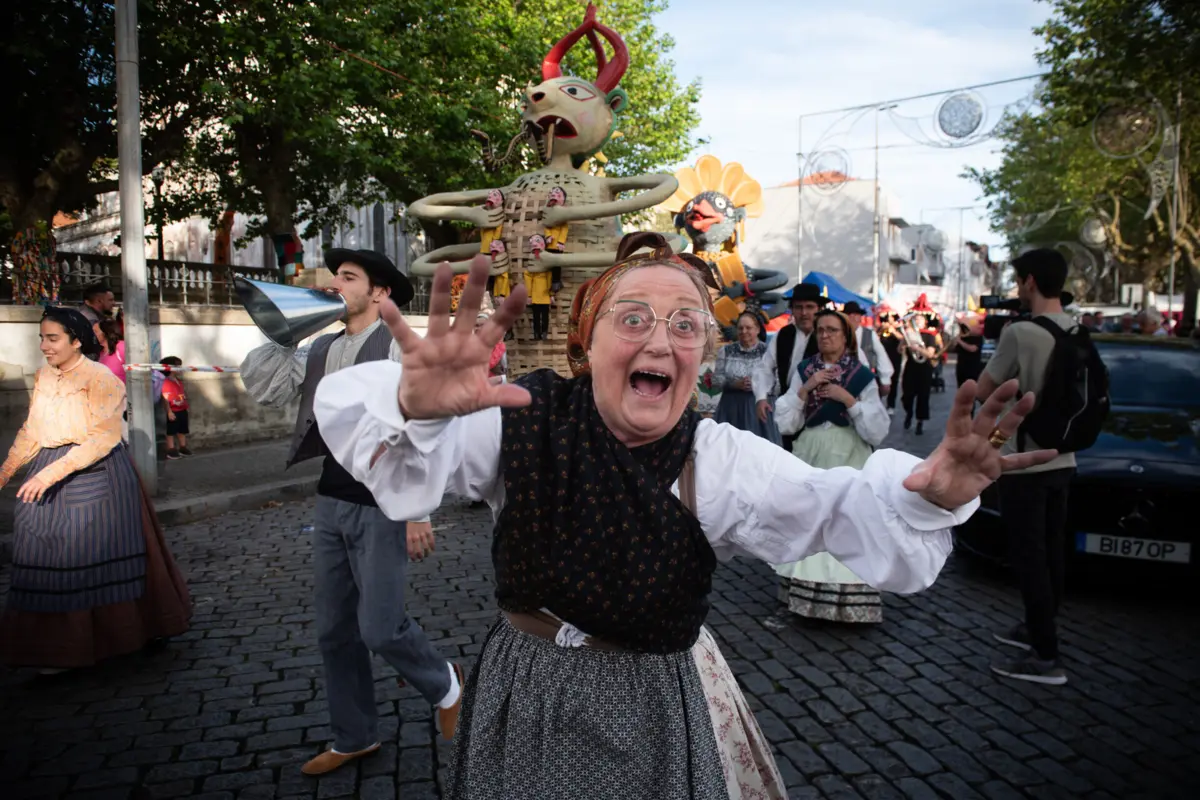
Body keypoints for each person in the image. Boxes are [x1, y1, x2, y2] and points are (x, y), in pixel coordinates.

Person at [313, 231, 1053, 799]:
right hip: (523, 690)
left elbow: (836, 507)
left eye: (685, 325)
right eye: (632, 318)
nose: (660, 340)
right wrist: (416, 409)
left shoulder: (721, 459)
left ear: (700, 357)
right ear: (587, 341)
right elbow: (400, 461)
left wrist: (935, 491)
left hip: (651, 706)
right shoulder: (523, 419)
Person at [240, 248, 462, 777]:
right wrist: (285, 329)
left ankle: (447, 685)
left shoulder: (400, 347)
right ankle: (355, 735)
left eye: (347, 277)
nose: (334, 284)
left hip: (383, 503)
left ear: (379, 292)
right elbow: (268, 388)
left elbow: (426, 426)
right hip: (332, 499)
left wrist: (418, 510)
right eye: (335, 276)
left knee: (381, 628)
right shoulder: (320, 346)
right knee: (334, 631)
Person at [0, 307, 191, 673]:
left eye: (52, 338)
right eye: (42, 337)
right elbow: (32, 430)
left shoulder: (101, 378)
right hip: (50, 465)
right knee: (36, 540)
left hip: (96, 470)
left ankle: (105, 640)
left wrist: (49, 475)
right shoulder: (44, 376)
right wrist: (6, 471)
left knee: (83, 551)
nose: (44, 346)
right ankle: (49, 646)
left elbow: (102, 438)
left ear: (76, 341)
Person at [976, 248, 1078, 686]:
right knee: (1052, 552)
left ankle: (1045, 656)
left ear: (1030, 282)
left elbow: (985, 389)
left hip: (1022, 461)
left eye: (1019, 280)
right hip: (1063, 456)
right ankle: (1039, 630)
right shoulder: (1077, 327)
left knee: (1028, 557)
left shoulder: (1020, 332)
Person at [773, 309, 891, 623]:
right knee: (810, 520)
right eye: (821, 330)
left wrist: (847, 399)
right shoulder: (805, 369)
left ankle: (848, 600)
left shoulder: (860, 373)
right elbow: (786, 422)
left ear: (845, 335)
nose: (825, 335)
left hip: (849, 453)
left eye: (833, 330)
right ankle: (806, 595)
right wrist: (805, 387)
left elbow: (878, 428)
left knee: (846, 521)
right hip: (811, 450)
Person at [752, 284, 827, 452]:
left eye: (809, 307)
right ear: (792, 310)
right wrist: (761, 397)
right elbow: (765, 367)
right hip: (790, 408)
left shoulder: (829, 335)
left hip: (820, 410)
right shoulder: (783, 334)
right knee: (791, 455)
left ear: (819, 309)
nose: (804, 313)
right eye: (798, 307)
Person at [712, 311, 781, 445]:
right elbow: (715, 381)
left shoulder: (769, 352)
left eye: (748, 328)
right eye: (740, 328)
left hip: (760, 411)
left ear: (757, 329)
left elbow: (779, 384)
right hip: (731, 409)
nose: (744, 331)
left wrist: (759, 386)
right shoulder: (726, 351)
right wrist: (733, 384)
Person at [900, 309, 941, 435]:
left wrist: (917, 348)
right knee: (907, 395)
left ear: (925, 322)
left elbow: (930, 354)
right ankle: (909, 412)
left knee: (923, 396)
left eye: (920, 320)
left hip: (924, 369)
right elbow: (899, 351)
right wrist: (903, 344)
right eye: (915, 319)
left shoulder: (929, 336)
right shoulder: (908, 335)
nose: (917, 322)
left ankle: (919, 422)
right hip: (911, 367)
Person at [843, 301, 894, 396]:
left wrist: (885, 380)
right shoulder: (839, 334)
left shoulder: (870, 335)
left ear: (860, 318)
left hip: (866, 382)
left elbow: (881, 355)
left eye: (856, 314)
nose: (853, 318)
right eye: (849, 314)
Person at [160, 357, 192, 459]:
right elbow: (165, 398)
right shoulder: (165, 382)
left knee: (182, 429)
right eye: (176, 366)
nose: (179, 368)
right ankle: (171, 449)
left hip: (182, 409)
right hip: (173, 410)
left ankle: (182, 447)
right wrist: (169, 411)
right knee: (171, 430)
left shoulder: (178, 381)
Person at [877, 309, 904, 414]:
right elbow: (874, 337)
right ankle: (878, 403)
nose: (889, 320)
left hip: (895, 358)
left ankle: (891, 405)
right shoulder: (882, 328)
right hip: (882, 358)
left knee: (894, 382)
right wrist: (880, 330)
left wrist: (893, 331)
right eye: (888, 318)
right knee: (879, 381)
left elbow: (903, 339)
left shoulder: (899, 328)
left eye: (891, 318)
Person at [953, 318, 984, 387]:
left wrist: (959, 341)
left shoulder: (978, 338)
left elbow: (972, 349)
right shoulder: (963, 337)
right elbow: (955, 348)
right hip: (961, 368)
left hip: (972, 369)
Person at [96, 318, 127, 383]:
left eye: (96, 331)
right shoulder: (101, 353)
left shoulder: (121, 346)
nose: (93, 334)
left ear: (105, 332)